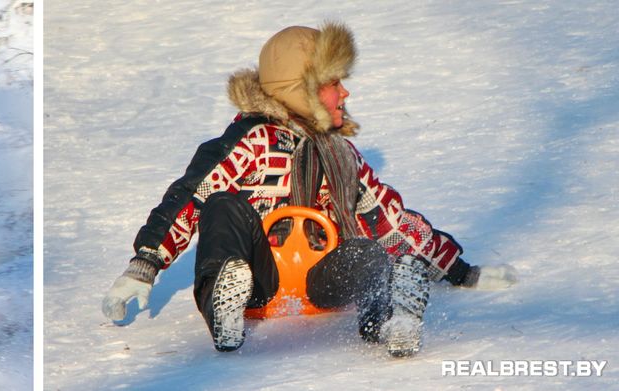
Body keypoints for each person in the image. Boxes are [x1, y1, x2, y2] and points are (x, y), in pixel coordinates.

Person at [100, 21, 517, 357]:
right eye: (334, 82)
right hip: (258, 281)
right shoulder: (253, 142)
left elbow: (390, 220)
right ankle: (223, 312)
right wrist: (145, 264)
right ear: (301, 90)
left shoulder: (342, 155)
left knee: (370, 252)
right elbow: (191, 197)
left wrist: (461, 272)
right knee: (223, 206)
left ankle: (390, 319)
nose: (345, 92)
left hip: (321, 281)